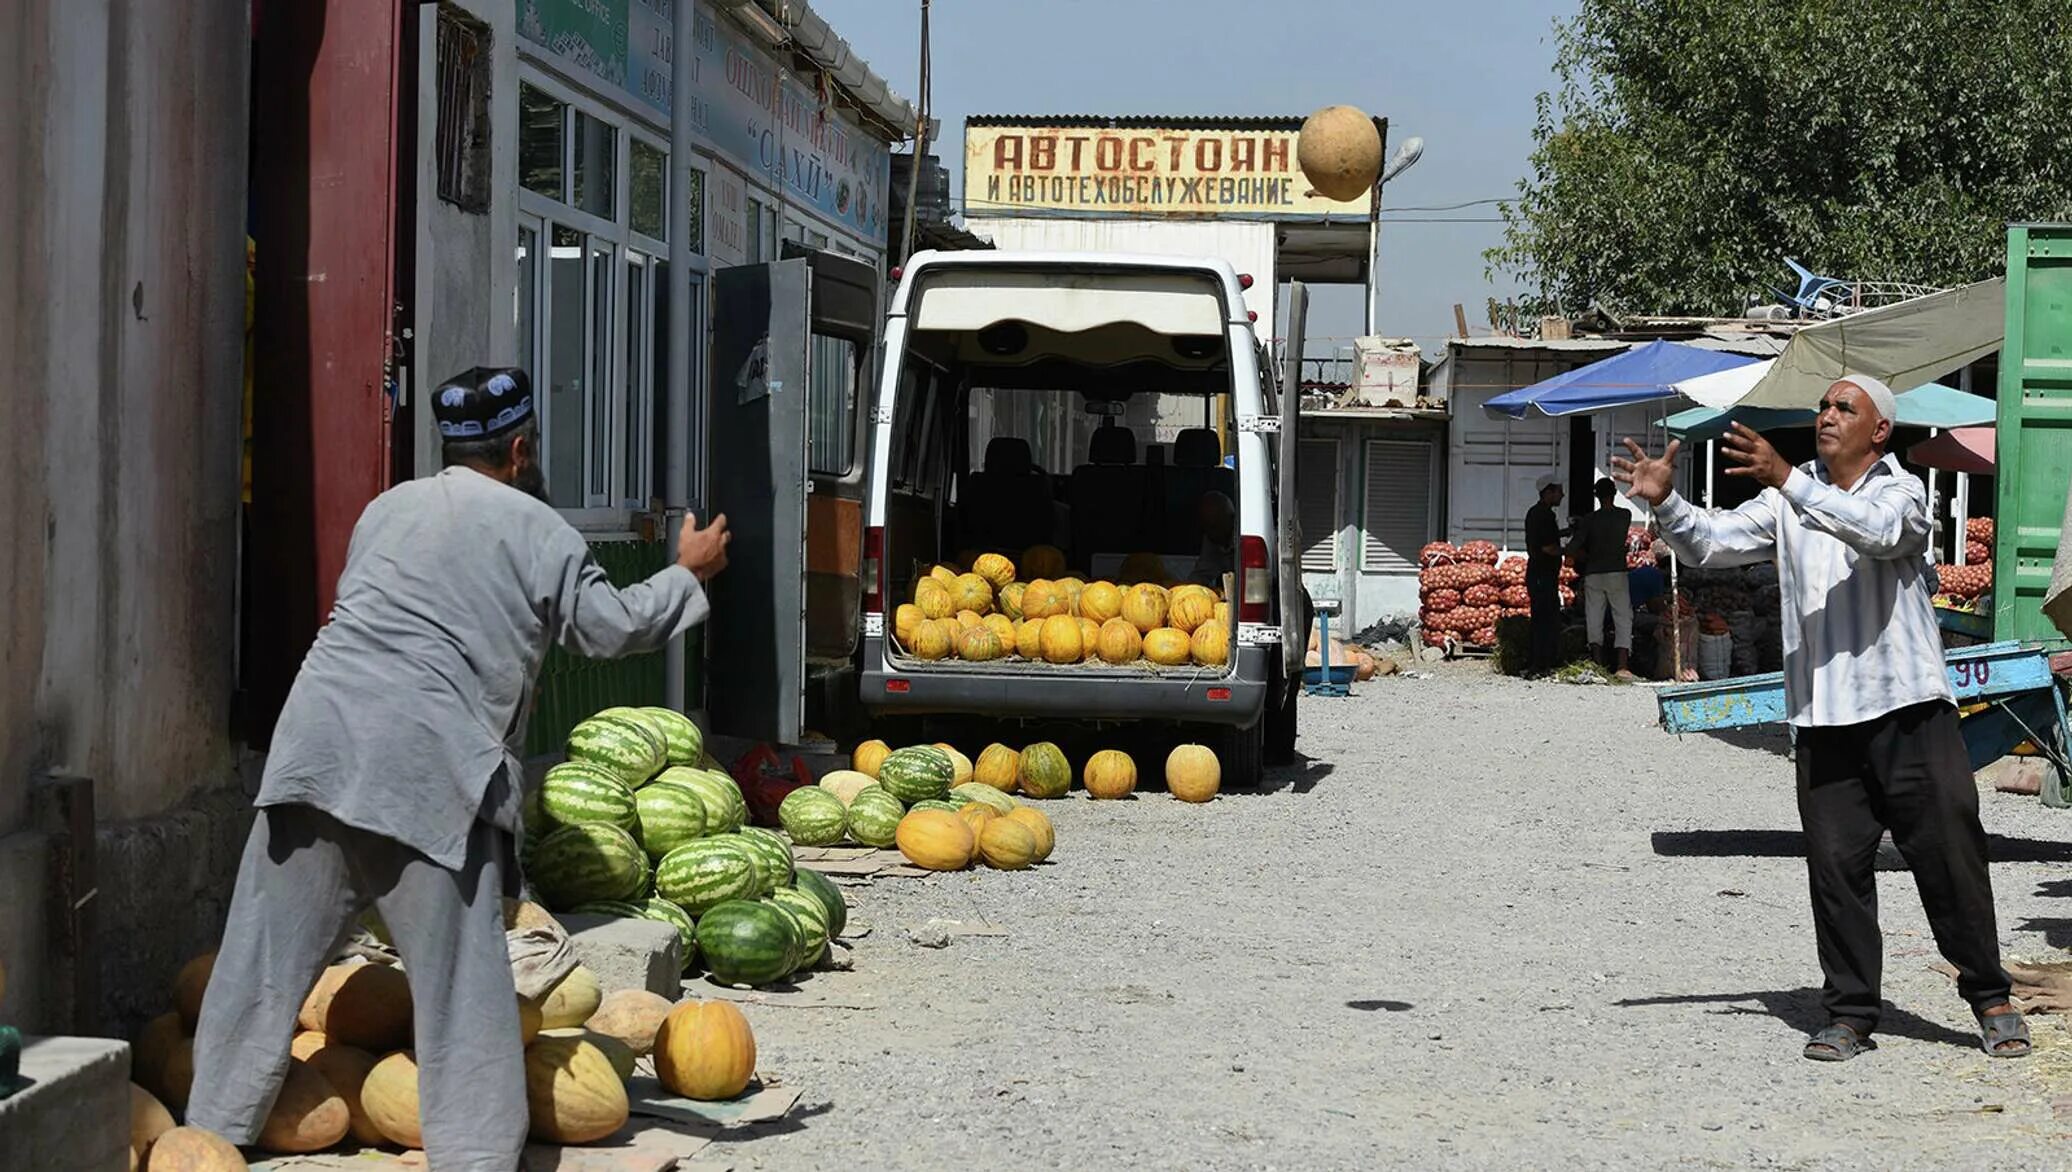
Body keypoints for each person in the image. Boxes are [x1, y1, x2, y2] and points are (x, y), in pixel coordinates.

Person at [187, 367, 733, 1168]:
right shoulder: (539, 530)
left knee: (257, 968)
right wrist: (687, 571)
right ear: (519, 450)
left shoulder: (385, 509)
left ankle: (207, 1135)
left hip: (316, 750)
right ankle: (474, 1158)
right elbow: (610, 629)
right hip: (432, 775)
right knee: (460, 997)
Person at [1615, 374, 2027, 1064]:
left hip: (1908, 710)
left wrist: (1787, 481)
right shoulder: (1789, 495)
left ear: (1880, 431)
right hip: (1826, 716)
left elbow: (1879, 534)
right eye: (1825, 405)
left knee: (1949, 858)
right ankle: (1849, 1013)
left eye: (1845, 407)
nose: (1828, 415)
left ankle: (1991, 998)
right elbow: (1711, 543)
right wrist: (1669, 504)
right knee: (1837, 871)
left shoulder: (1902, 492)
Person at [1566, 477, 1636, 678]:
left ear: (1596, 496)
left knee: (1594, 617)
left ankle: (1598, 664)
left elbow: (1573, 547)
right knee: (1622, 617)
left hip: (1594, 574)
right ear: (1614, 494)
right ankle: (1622, 666)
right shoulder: (1625, 515)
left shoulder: (1589, 520)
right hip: (1617, 572)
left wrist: (1585, 554)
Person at [1524, 473, 1565, 675]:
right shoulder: (1544, 515)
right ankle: (1540, 663)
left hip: (1540, 574)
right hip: (1542, 575)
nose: (1563, 495)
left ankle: (1539, 662)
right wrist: (1570, 551)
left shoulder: (1538, 513)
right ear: (1549, 492)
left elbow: (1550, 537)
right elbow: (1548, 547)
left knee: (1542, 617)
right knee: (1544, 618)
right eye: (1559, 491)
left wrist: (1567, 533)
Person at [1188, 490, 1236, 589]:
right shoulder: (1212, 538)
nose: (1211, 532)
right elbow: (1201, 574)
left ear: (1231, 519)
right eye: (1206, 526)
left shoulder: (1244, 538)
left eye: (1216, 526)